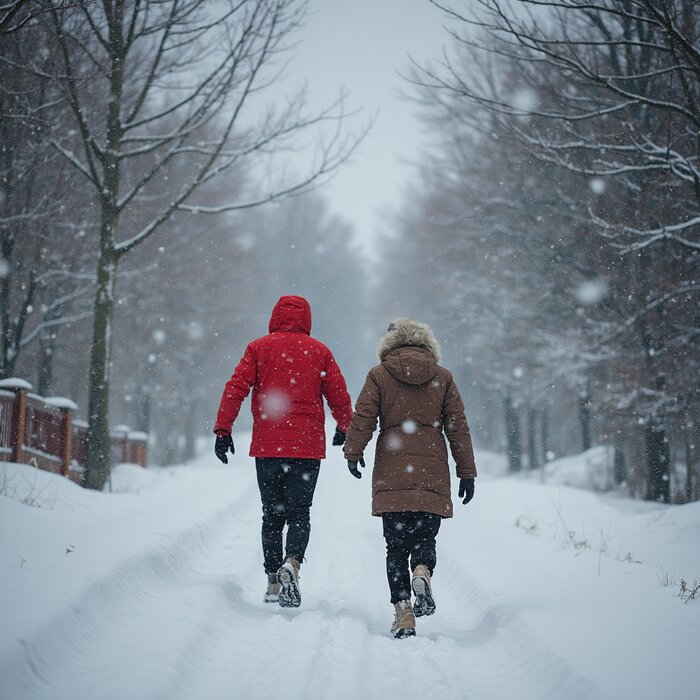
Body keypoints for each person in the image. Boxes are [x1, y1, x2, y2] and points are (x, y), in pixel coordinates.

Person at [213, 295, 352, 607]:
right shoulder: (320, 352)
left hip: (269, 446)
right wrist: (345, 428)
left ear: (275, 316)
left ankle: (274, 580)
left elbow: (236, 386)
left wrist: (224, 429)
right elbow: (338, 394)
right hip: (306, 447)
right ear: (308, 319)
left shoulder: (259, 348)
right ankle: (293, 562)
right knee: (299, 513)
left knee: (272, 515)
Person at [343, 318, 477, 638]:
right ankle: (422, 569)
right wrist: (466, 471)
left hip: (392, 470)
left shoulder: (379, 375)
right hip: (431, 472)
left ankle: (403, 610)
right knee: (424, 538)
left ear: (389, 344)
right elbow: (458, 427)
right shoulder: (442, 378)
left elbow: (364, 417)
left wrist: (353, 451)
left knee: (395, 546)